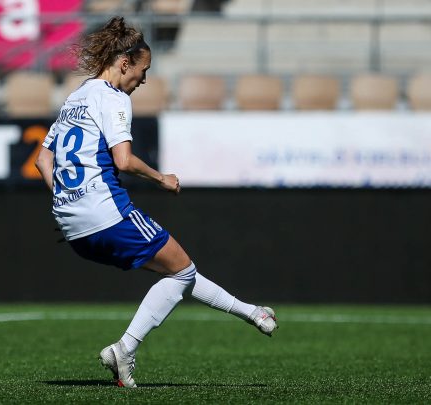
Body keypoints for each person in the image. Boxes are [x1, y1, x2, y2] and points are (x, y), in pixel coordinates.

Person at [34, 16, 277, 388]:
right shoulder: (112, 98)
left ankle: (252, 312)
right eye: (143, 69)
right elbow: (124, 160)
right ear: (124, 62)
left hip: (73, 226)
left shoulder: (76, 97)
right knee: (180, 270)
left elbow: (42, 160)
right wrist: (162, 178)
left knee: (178, 271)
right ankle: (124, 349)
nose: (144, 79)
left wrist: (64, 199)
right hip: (106, 211)